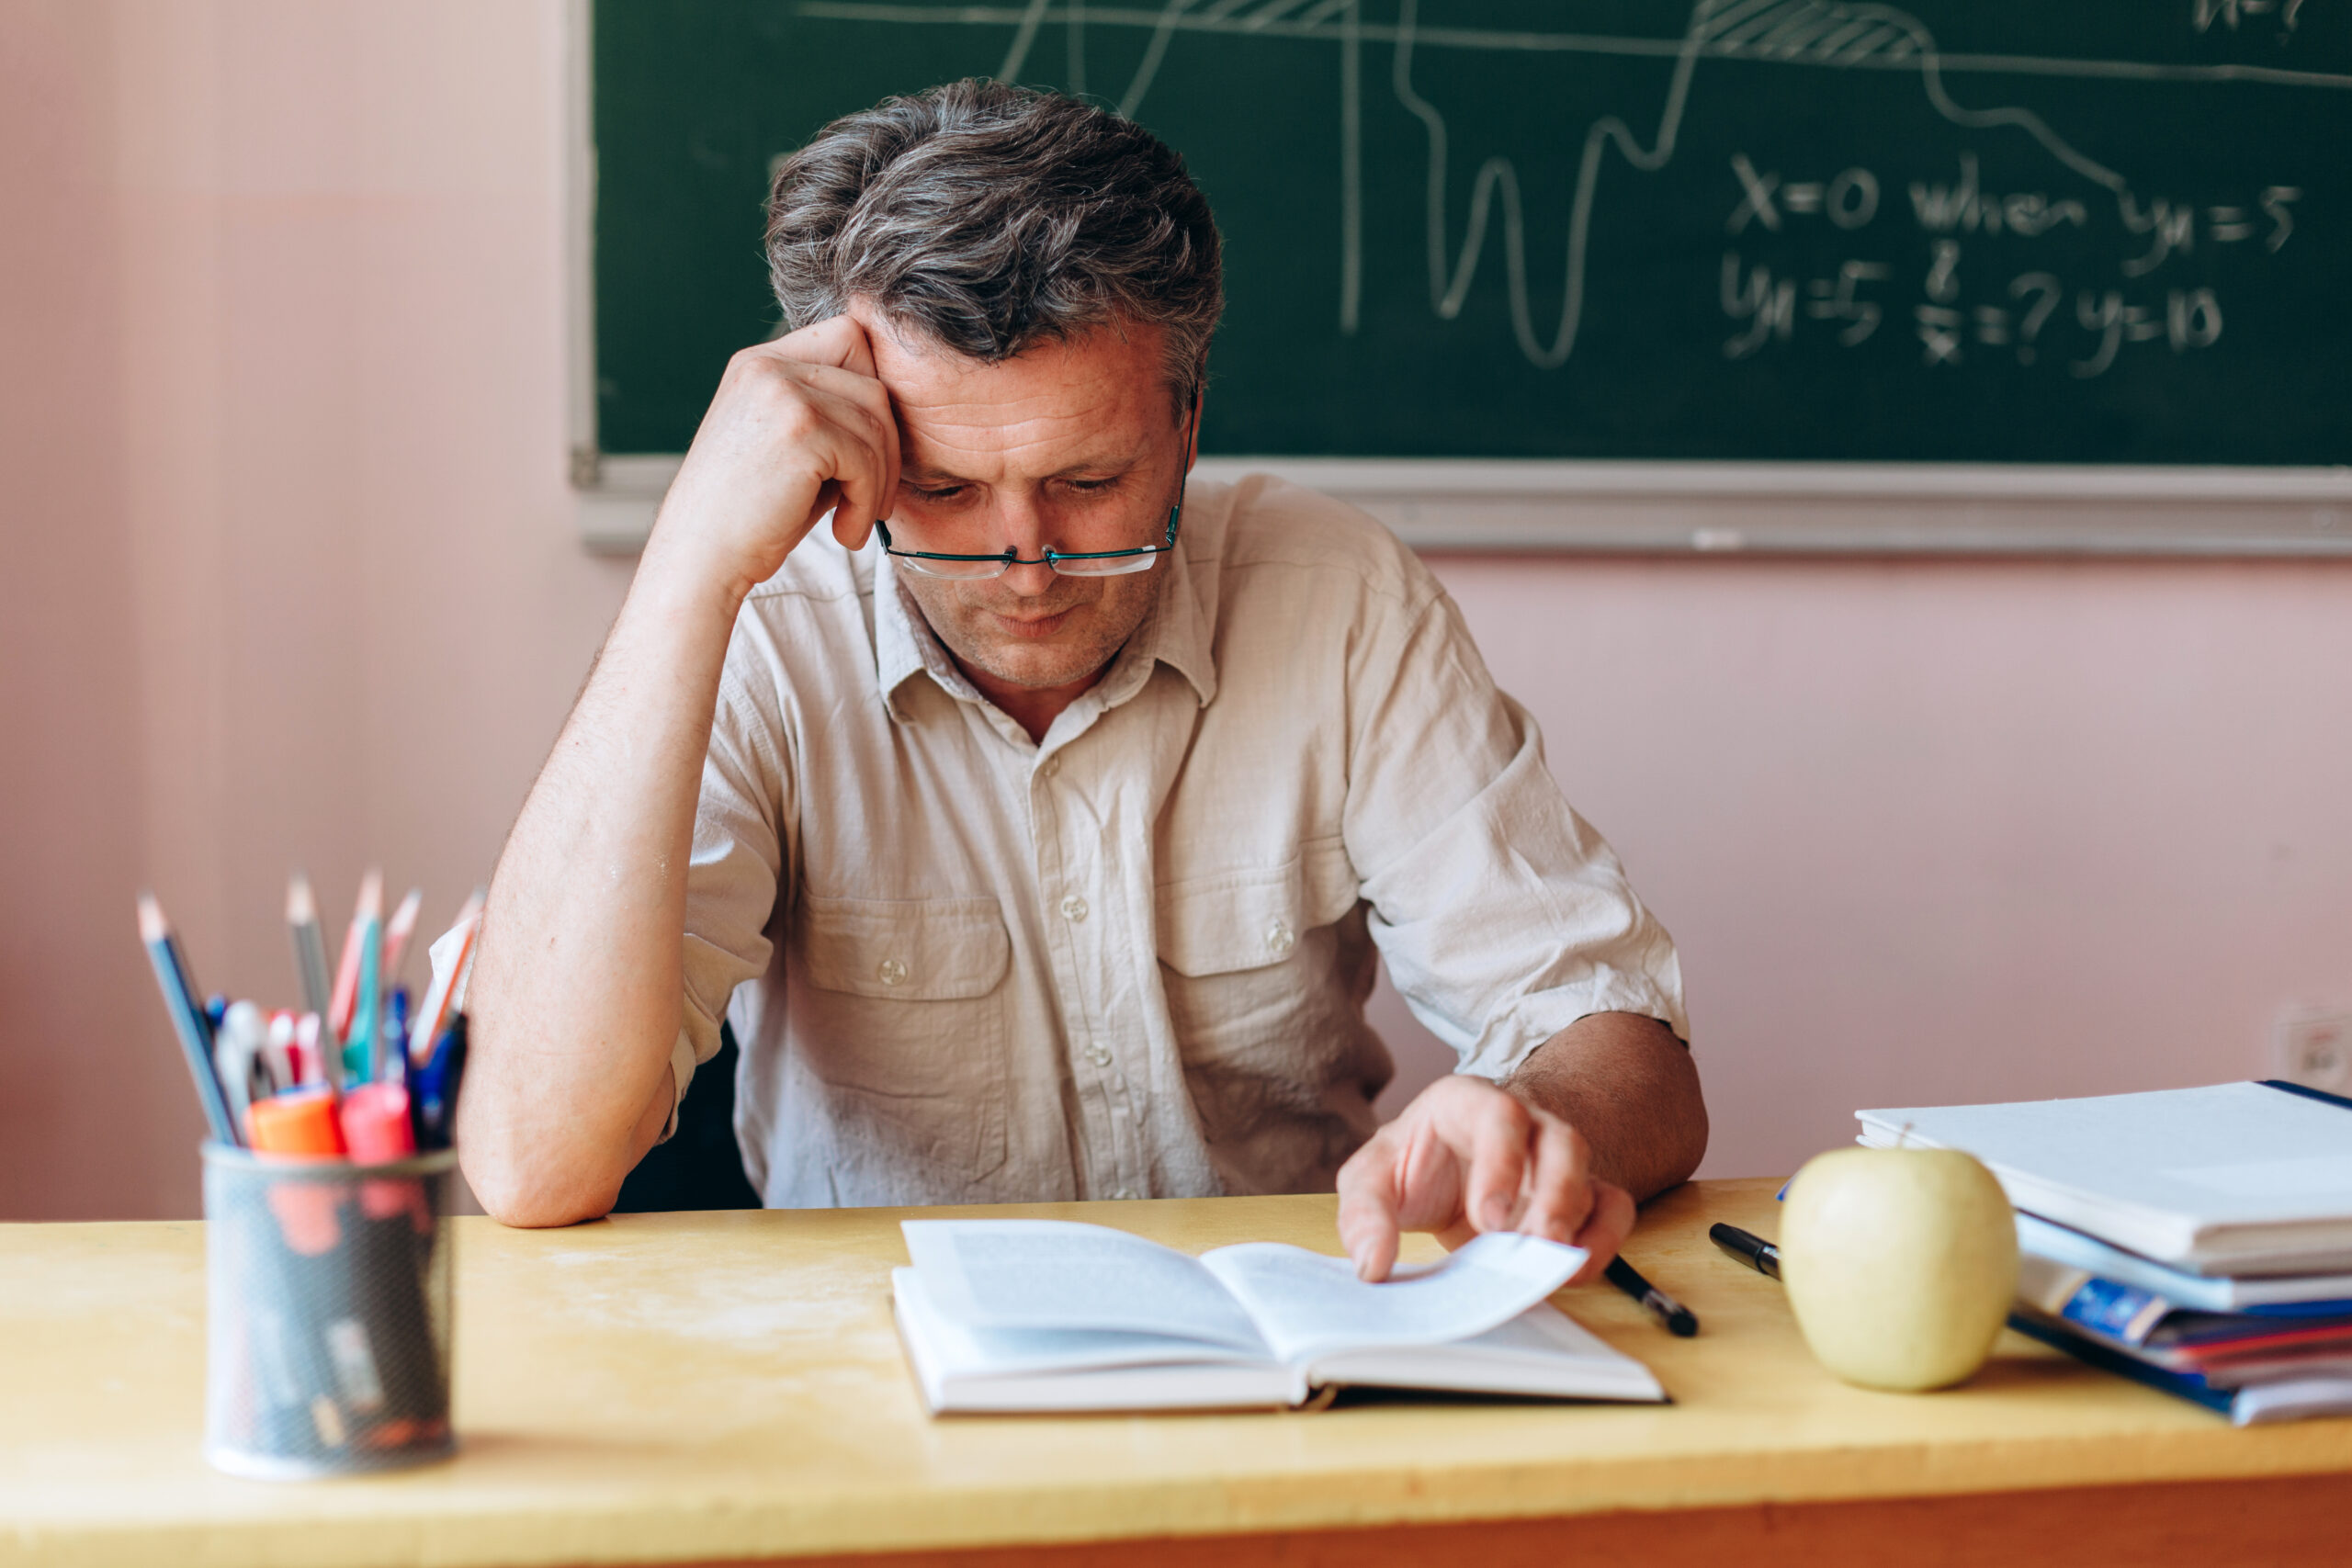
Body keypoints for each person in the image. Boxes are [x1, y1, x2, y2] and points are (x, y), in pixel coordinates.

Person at [461, 79, 1704, 1282]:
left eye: (1091, 480)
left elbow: (1624, 1046)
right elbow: (531, 1161)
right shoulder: (768, 630)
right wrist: (688, 568)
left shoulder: (1343, 604)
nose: (1027, 563)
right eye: (942, 490)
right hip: (879, 1383)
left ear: (1188, 427)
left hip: (1287, 1340)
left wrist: (1540, 1117)